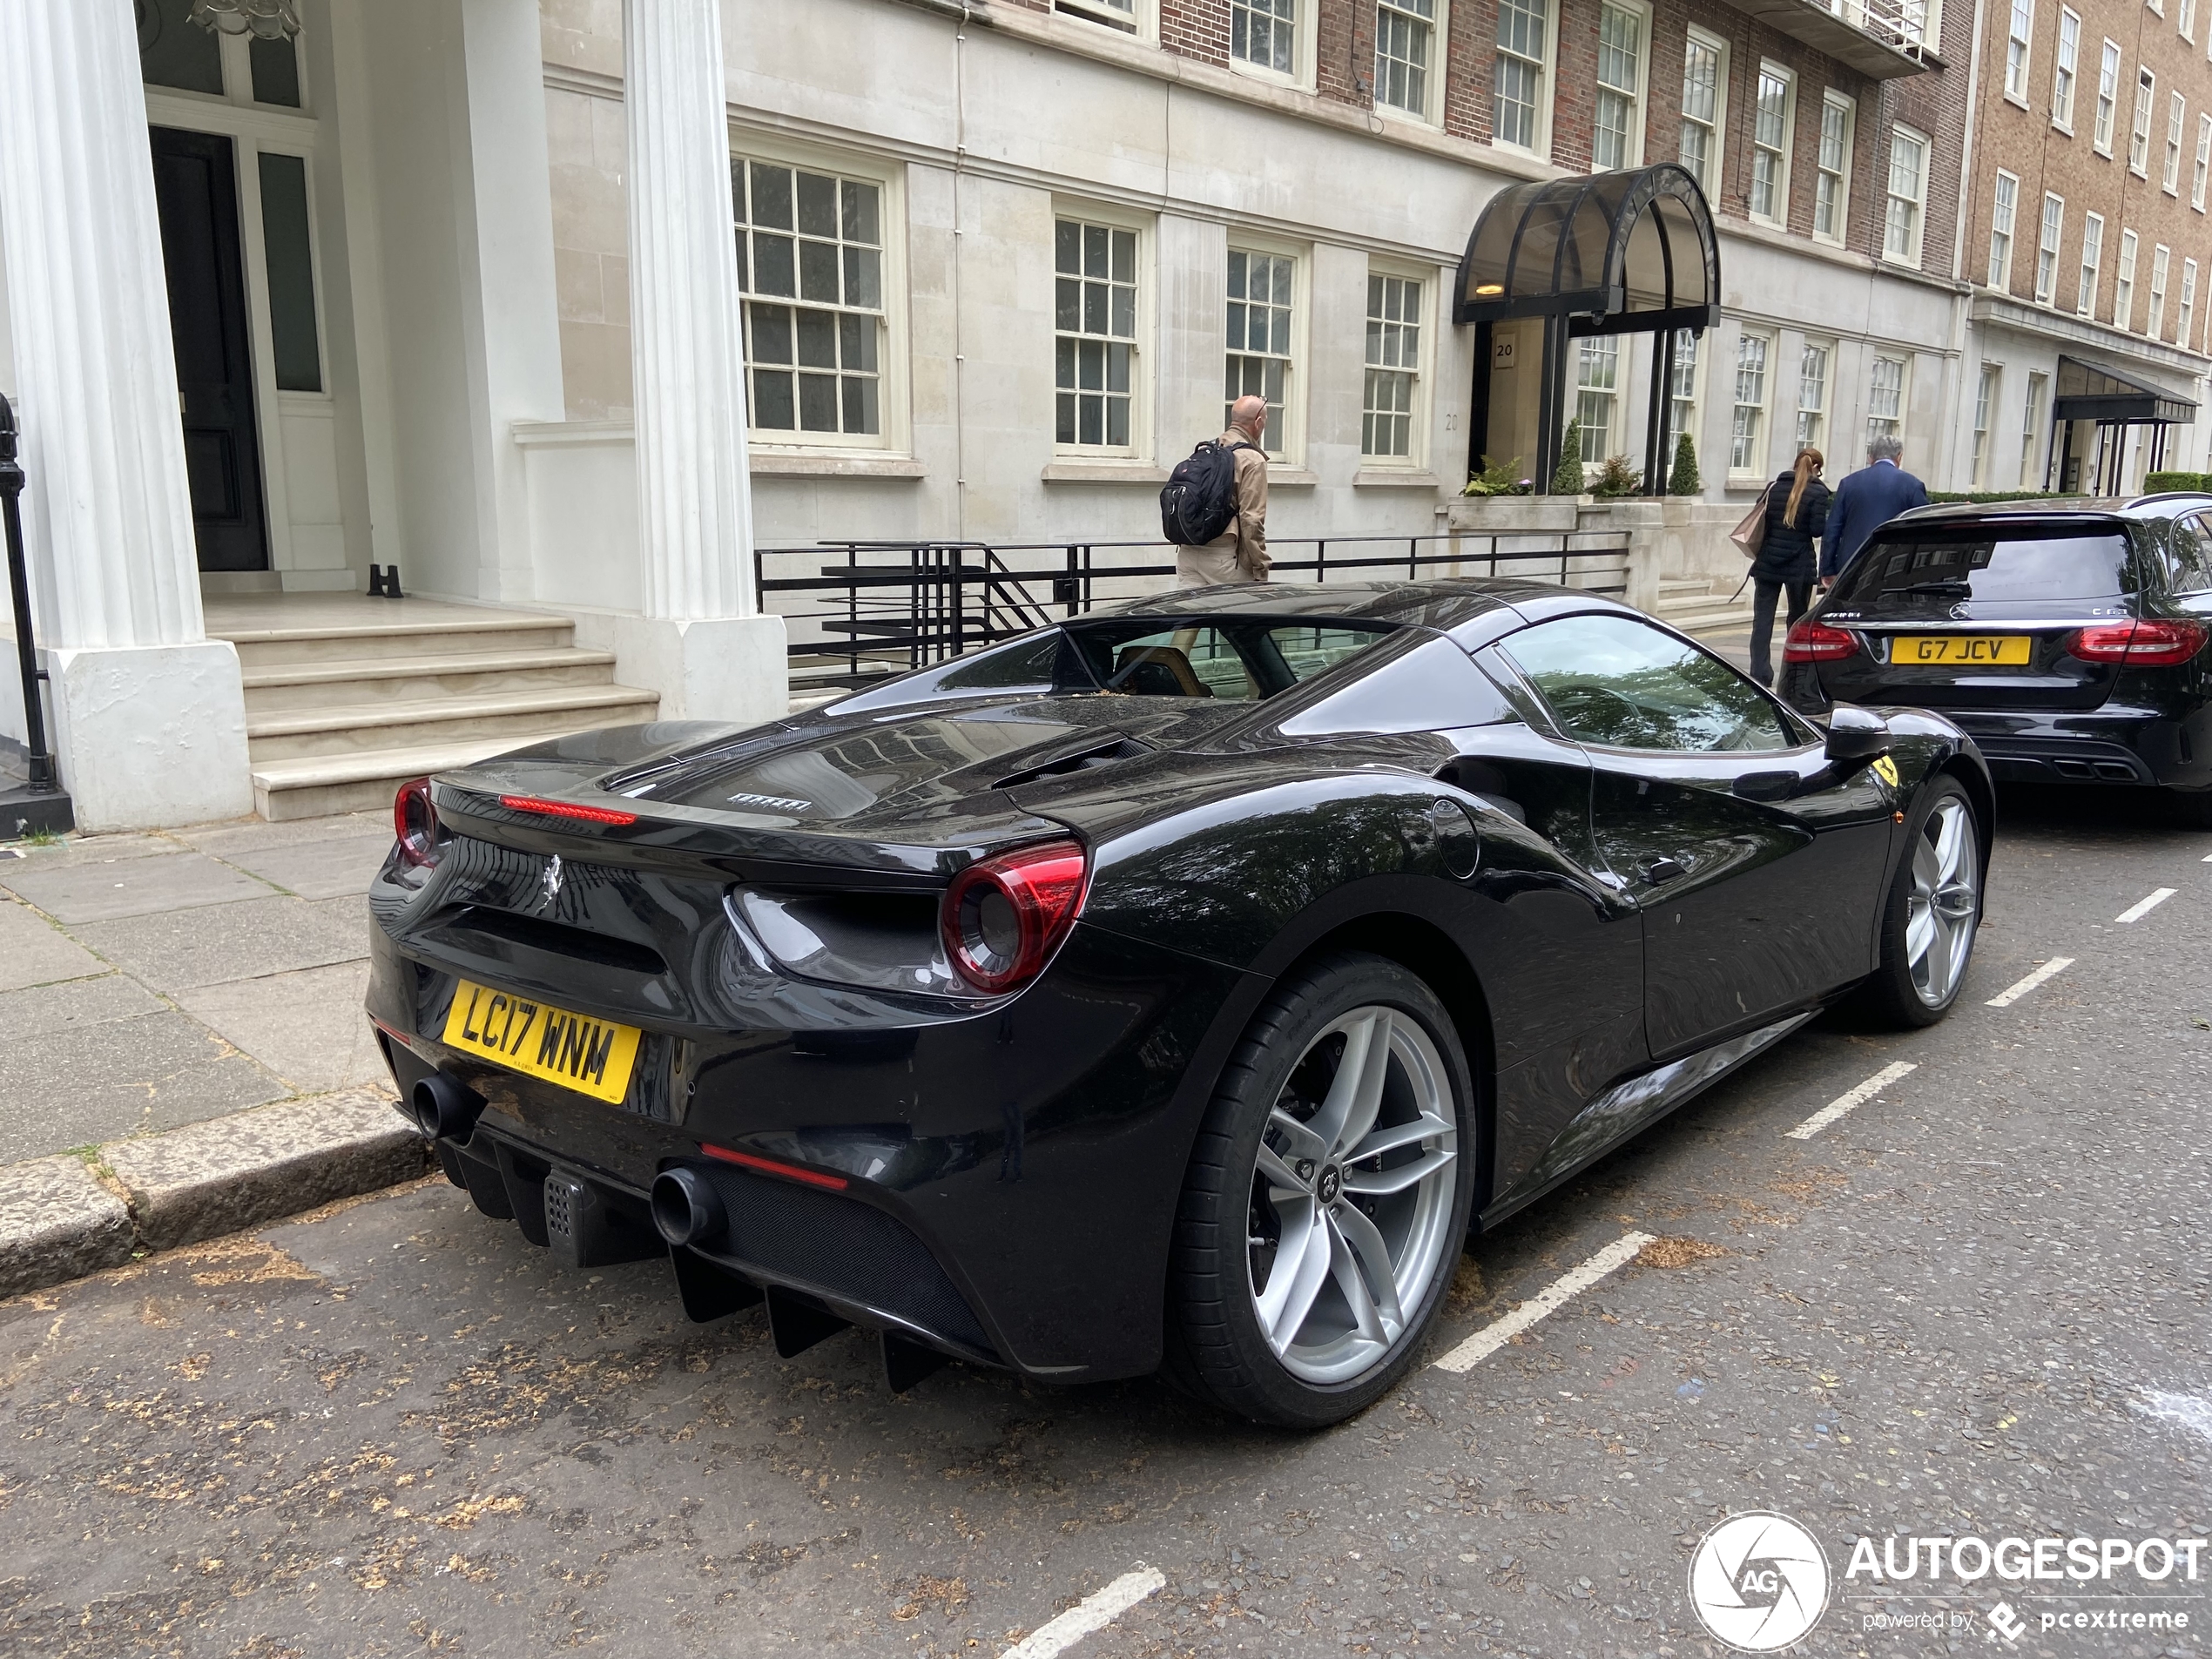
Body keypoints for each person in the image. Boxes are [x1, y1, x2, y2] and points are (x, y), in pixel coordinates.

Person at [1747, 448, 1831, 686]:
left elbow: (1762, 518)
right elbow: (1816, 530)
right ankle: (1793, 674)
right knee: (1796, 621)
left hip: (1768, 562)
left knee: (1762, 620)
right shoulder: (1817, 492)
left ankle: (1760, 674)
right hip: (1799, 565)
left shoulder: (1774, 487)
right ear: (1816, 468)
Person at [1177, 395, 1271, 589]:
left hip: (1188, 554)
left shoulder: (1206, 449)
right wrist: (1261, 565)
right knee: (1241, 616)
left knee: (1193, 618)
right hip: (1224, 559)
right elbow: (1251, 520)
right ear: (1258, 422)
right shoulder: (1252, 459)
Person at [1821, 432, 1928, 587]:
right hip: (1894, 566)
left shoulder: (1848, 484)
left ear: (1870, 457)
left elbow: (1833, 529)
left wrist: (1828, 569)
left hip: (1851, 564)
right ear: (1899, 456)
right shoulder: (1912, 485)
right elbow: (1922, 530)